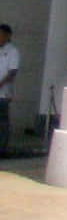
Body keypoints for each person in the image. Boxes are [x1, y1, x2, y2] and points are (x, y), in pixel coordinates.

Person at [0, 23, 18, 158]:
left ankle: (2, 148)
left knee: (2, 121)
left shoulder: (12, 51)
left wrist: (1, 84)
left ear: (7, 35)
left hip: (3, 93)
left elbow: (13, 71)